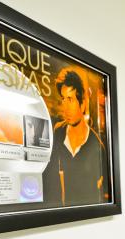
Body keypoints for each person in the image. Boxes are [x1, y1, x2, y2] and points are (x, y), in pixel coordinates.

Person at [43, 67, 110, 207]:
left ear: (83, 104)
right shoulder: (57, 132)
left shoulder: (97, 147)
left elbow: (101, 194)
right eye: (63, 99)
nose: (65, 107)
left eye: (70, 99)